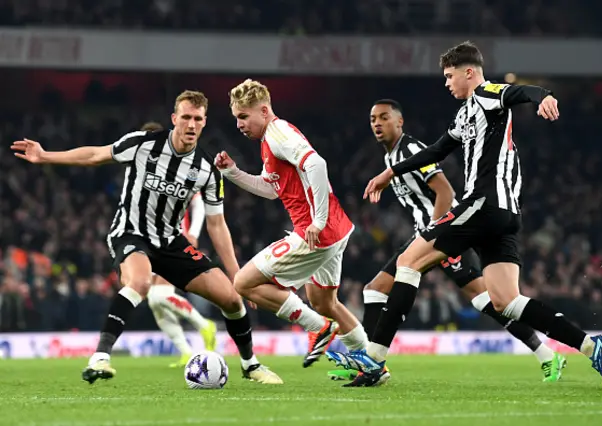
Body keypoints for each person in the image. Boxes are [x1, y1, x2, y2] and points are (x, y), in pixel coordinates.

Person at [326, 41, 602, 390]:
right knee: (506, 301)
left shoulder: (486, 94)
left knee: (408, 262)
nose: (447, 83)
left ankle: (374, 358)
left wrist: (544, 96)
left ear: (469, 72)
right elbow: (438, 149)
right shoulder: (463, 114)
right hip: (504, 215)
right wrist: (391, 173)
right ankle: (591, 346)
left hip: (483, 204)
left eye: (450, 76)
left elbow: (519, 91)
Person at [11, 91, 283, 385]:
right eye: (186, 117)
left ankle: (250, 365)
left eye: (198, 119)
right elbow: (94, 155)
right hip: (130, 232)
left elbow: (217, 226)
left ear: (204, 123)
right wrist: (45, 155)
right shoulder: (142, 143)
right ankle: (100, 357)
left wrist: (237, 275)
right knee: (140, 283)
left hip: (170, 241)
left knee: (230, 299)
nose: (191, 125)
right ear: (174, 119)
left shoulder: (207, 170)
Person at [327, 99, 565, 386]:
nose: (377, 123)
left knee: (488, 300)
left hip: (443, 233)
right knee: (375, 290)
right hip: (425, 233)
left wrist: (435, 234)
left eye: (384, 117)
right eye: (372, 119)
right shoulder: (390, 158)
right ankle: (371, 364)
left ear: (399, 122)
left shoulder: (410, 149)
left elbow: (444, 190)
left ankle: (546, 354)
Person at [215, 79, 368, 368]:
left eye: (243, 117)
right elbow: (272, 189)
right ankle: (371, 365)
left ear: (263, 110)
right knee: (325, 302)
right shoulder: (270, 140)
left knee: (243, 282)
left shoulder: (278, 133)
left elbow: (317, 164)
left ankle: (316, 327)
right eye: (236, 118)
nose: (238, 125)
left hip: (316, 233)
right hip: (335, 230)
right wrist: (233, 172)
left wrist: (318, 221)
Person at [139, 121, 217, 369]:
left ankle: (205, 325)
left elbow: (198, 201)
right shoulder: (144, 168)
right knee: (154, 299)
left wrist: (192, 233)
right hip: (149, 239)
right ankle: (185, 351)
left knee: (160, 294)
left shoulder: (174, 167)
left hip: (172, 239)